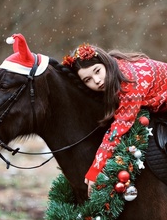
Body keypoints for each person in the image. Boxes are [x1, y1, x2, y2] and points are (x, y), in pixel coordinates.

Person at [62, 43, 167, 197]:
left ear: (106, 62)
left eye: (97, 71)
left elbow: (118, 130)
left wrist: (95, 170)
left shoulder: (129, 83)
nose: (96, 81)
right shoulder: (115, 71)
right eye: (87, 80)